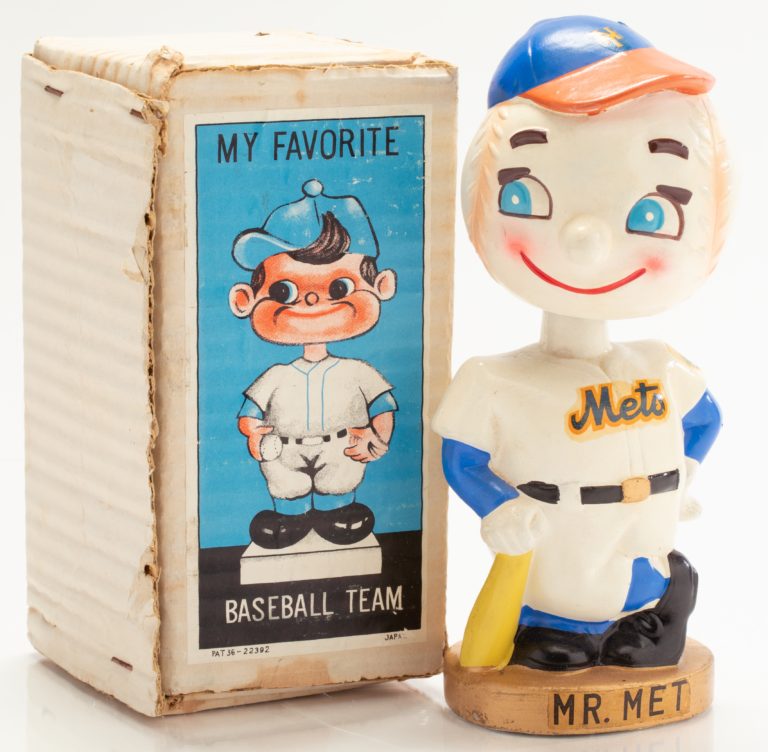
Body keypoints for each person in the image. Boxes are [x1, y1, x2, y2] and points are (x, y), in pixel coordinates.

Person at [433, 16, 728, 670]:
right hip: (559, 543)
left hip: (645, 534)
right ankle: (559, 629)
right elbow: (461, 457)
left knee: (640, 600)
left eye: (649, 213)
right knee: (560, 633)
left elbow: (705, 417)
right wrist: (499, 509)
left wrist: (686, 471)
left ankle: (660, 611)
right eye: (529, 197)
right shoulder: (497, 380)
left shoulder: (660, 364)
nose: (587, 242)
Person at [230, 179, 398, 550]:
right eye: (284, 291)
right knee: (285, 486)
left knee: (338, 486)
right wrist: (254, 434)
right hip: (283, 449)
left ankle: (338, 509)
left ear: (383, 286)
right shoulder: (276, 375)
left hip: (342, 447)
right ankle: (288, 515)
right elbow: (250, 414)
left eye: (338, 288)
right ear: (245, 299)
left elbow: (382, 406)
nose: (309, 301)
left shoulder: (358, 372)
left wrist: (378, 439)